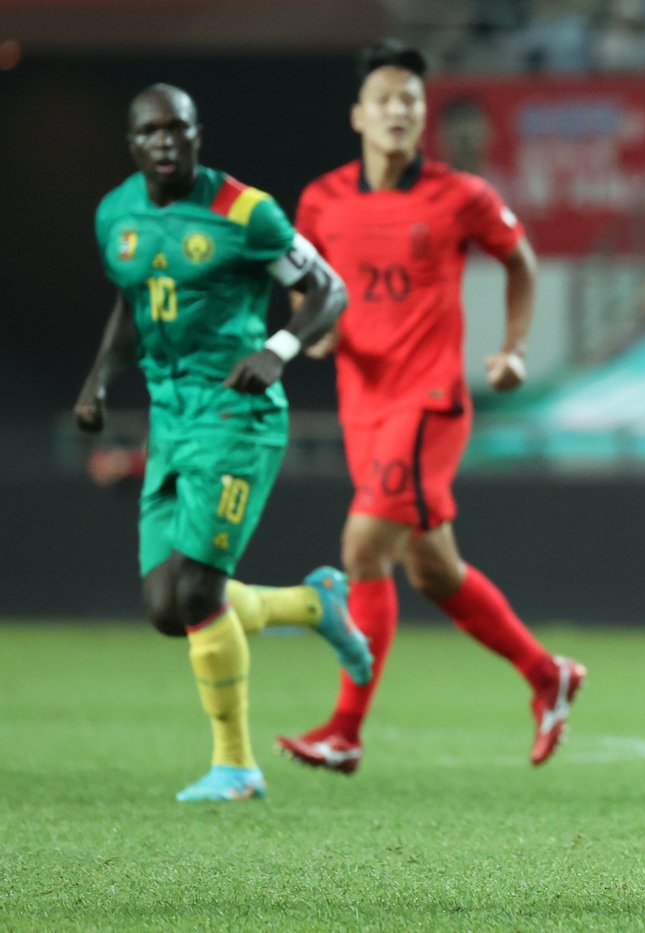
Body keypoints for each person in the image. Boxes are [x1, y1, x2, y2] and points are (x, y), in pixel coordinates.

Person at [276, 41, 585, 775]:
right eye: (384, 97)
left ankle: (346, 728)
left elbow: (520, 259)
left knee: (361, 549)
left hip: (429, 399)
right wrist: (310, 331)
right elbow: (306, 281)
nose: (398, 110)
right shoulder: (322, 199)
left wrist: (512, 347)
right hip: (362, 401)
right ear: (359, 112)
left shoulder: (460, 194)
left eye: (411, 100)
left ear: (421, 117)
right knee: (433, 570)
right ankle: (550, 675)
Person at [74, 84, 374, 803]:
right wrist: (97, 382)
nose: (166, 141)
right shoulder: (116, 213)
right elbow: (132, 299)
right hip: (168, 417)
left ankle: (235, 766)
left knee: (198, 589)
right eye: (152, 132)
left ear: (197, 133)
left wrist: (277, 349)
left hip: (237, 414)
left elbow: (328, 289)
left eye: (179, 128)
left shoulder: (244, 211)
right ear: (134, 142)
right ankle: (314, 605)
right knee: (164, 608)